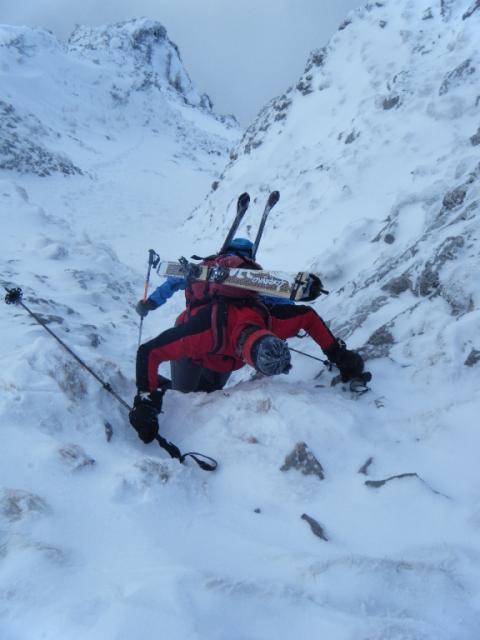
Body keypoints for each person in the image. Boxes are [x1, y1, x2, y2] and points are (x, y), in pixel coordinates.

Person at [129, 238, 364, 444]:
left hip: (220, 357)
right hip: (195, 350)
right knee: (184, 398)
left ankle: (161, 384)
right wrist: (145, 403)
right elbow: (149, 352)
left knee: (204, 396)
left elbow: (306, 317)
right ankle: (162, 386)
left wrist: (151, 303)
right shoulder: (211, 328)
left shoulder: (268, 318)